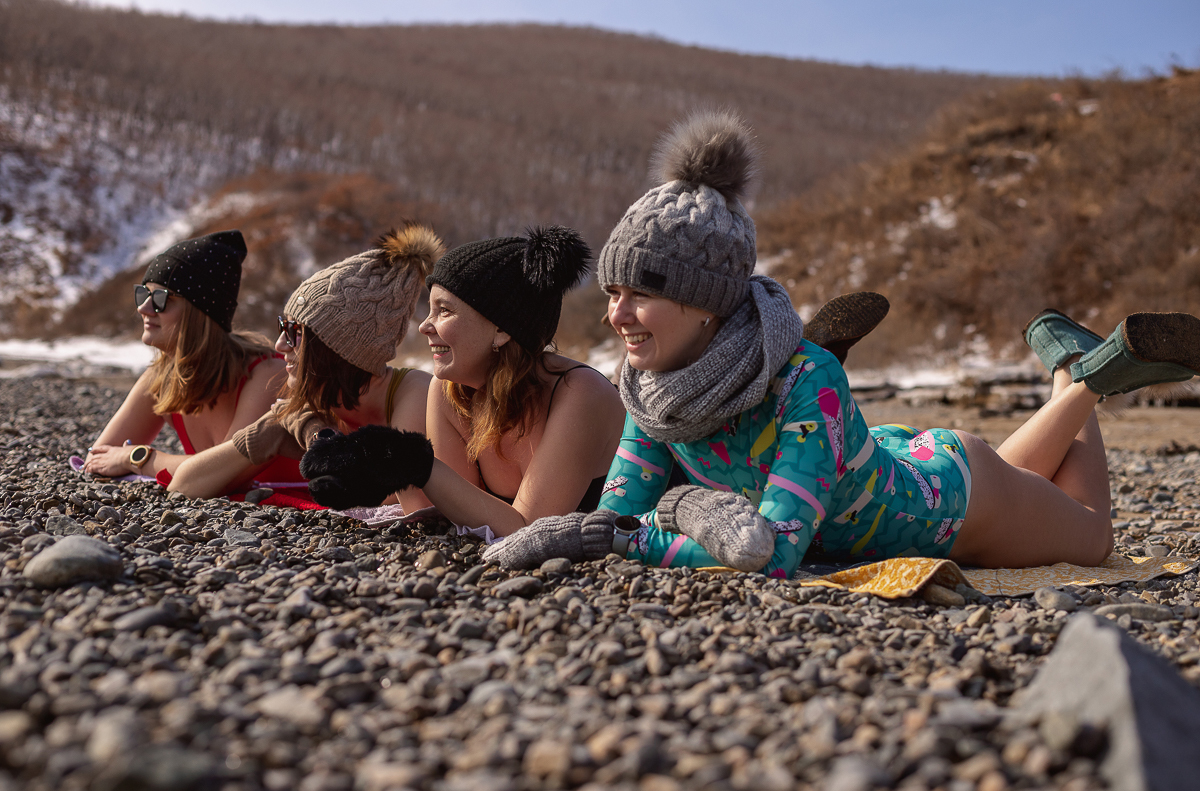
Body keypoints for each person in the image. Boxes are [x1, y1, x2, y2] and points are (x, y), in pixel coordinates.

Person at [483, 109, 1200, 575]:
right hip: (890, 462)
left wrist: (670, 513)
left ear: (705, 305)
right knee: (1029, 472)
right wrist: (612, 531)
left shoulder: (806, 379)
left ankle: (1084, 374)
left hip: (954, 505)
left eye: (640, 293)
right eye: (611, 293)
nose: (617, 315)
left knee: (1096, 539)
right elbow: (618, 517)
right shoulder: (649, 394)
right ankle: (1070, 371)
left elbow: (772, 553)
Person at [296, 226, 628, 537]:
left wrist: (412, 462)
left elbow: (526, 530)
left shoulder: (580, 394)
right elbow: (446, 517)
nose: (425, 326)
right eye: (430, 310)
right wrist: (380, 464)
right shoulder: (452, 390)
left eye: (444, 311)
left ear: (501, 329)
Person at [167, 223, 443, 510]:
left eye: (294, 333)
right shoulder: (319, 402)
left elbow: (415, 507)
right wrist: (276, 432)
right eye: (282, 327)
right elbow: (184, 485)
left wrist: (333, 448)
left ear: (339, 347)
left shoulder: (414, 391)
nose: (279, 345)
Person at [83, 231, 288, 480]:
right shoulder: (164, 376)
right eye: (143, 294)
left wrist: (135, 457)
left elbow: (224, 473)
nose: (143, 308)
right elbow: (98, 459)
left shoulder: (268, 374)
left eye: (160, 299)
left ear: (200, 311)